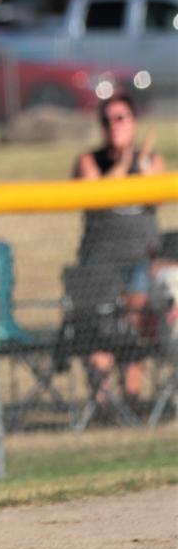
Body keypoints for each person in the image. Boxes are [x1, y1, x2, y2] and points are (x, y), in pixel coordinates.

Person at [72, 92, 165, 404]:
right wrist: (124, 164)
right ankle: (103, 403)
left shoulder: (150, 160)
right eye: (107, 120)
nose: (114, 126)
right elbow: (94, 197)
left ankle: (134, 399)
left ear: (134, 122)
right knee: (99, 326)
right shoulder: (90, 161)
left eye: (121, 118)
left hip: (141, 259)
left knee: (134, 318)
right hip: (99, 262)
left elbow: (159, 198)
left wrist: (146, 172)